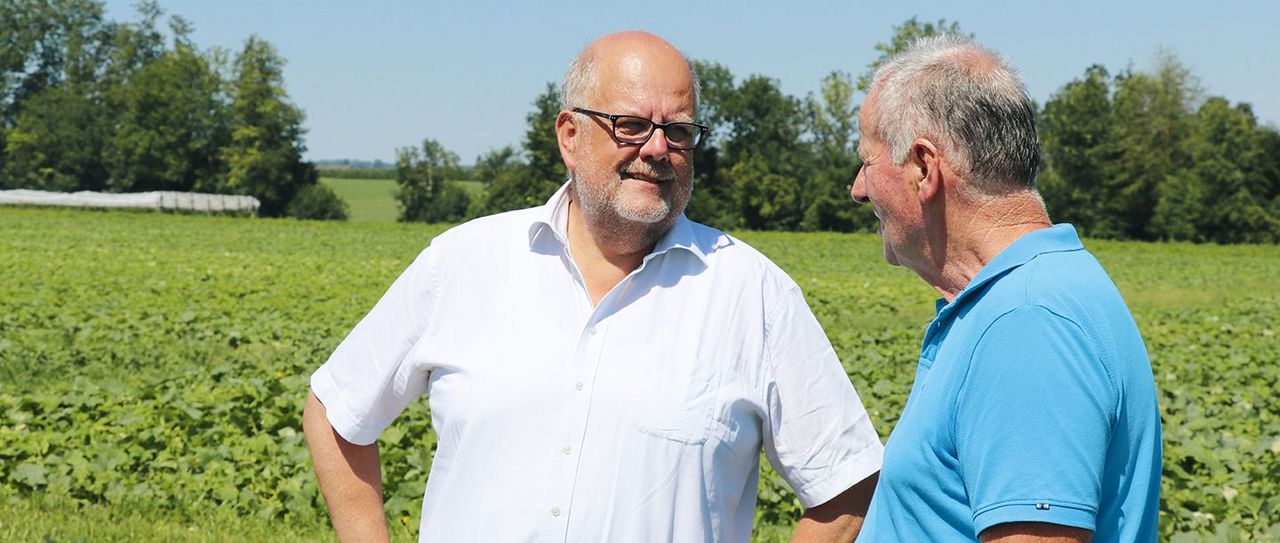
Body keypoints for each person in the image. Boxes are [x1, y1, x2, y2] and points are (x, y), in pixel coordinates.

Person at [303, 31, 883, 542]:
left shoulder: (752, 293)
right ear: (569, 136)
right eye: (631, 125)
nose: (658, 149)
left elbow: (846, 483)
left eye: (678, 131)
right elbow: (336, 410)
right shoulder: (463, 263)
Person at [849, 35, 1161, 543]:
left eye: (867, 161)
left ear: (924, 168)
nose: (859, 188)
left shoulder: (1028, 321)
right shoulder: (1030, 293)